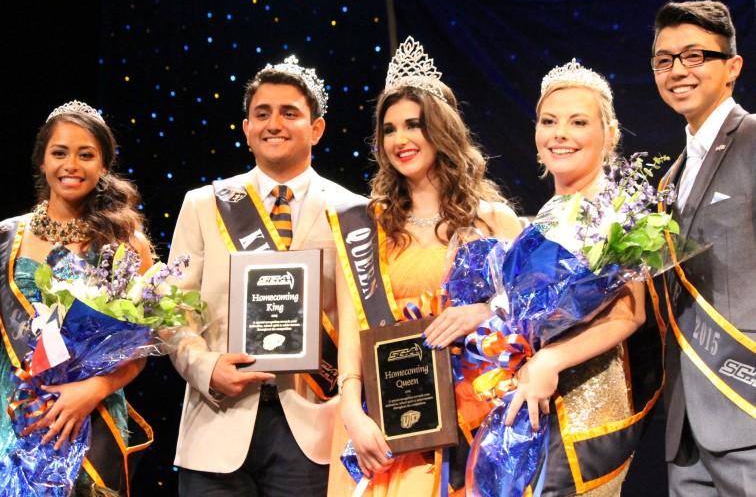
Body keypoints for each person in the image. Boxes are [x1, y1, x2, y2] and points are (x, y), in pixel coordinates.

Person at [328, 37, 523, 495]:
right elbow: (354, 337)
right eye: (389, 129)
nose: (400, 139)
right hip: (390, 425)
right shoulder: (365, 226)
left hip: (478, 417)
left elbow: (527, 319)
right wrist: (351, 411)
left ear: (442, 129)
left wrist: (482, 313)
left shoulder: (493, 220)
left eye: (413, 124)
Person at [167, 55, 356, 496]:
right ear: (247, 128)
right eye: (262, 114)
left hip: (314, 428)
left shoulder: (354, 211)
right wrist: (206, 366)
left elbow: (362, 321)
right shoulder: (203, 204)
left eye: (290, 112)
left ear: (317, 128)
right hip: (216, 422)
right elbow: (171, 309)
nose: (274, 123)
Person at [493, 59, 657, 496]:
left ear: (609, 135)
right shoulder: (542, 216)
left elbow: (629, 313)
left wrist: (550, 360)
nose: (559, 133)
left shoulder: (617, 210)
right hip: (533, 402)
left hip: (588, 407)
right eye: (549, 121)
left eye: (578, 122)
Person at [0, 100, 152, 495]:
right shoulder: (4, 237)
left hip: (92, 410)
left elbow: (143, 345)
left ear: (104, 165)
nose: (71, 165)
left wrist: (95, 390)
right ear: (42, 161)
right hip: (16, 409)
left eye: (86, 154)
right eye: (59, 153)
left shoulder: (126, 244)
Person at [651, 0, 756, 495]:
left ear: (732, 66)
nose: (678, 71)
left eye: (694, 56)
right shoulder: (669, 178)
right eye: (664, 60)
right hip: (688, 421)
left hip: (747, 400)